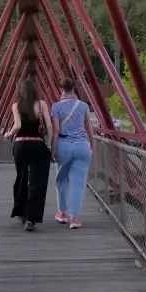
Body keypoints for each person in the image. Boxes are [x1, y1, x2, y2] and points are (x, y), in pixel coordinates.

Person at [4, 78, 52, 232]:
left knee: (21, 178)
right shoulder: (42, 104)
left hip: (21, 146)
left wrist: (9, 133)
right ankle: (31, 218)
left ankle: (21, 212)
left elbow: (17, 125)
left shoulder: (16, 105)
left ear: (21, 91)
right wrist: (50, 145)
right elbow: (49, 126)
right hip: (38, 146)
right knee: (37, 182)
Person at [50, 77, 94, 229]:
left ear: (60, 89)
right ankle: (74, 218)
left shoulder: (56, 107)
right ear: (74, 88)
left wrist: (53, 149)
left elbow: (55, 131)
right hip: (82, 146)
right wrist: (91, 145)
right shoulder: (83, 105)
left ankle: (61, 212)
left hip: (63, 145)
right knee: (78, 183)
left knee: (61, 180)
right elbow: (89, 128)